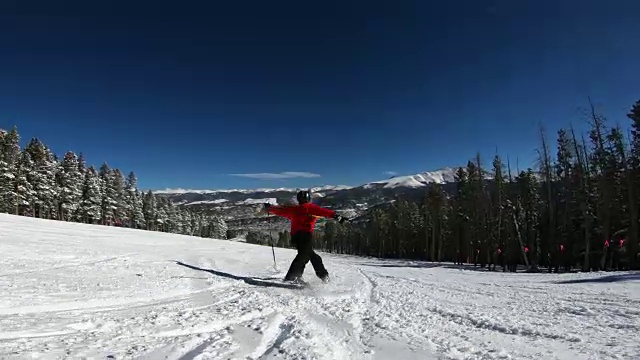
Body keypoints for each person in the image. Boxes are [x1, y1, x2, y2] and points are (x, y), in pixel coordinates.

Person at [263, 190, 347, 283]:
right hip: (306, 235)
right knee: (303, 256)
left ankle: (320, 275)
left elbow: (281, 210)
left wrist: (270, 208)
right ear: (308, 199)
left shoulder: (294, 209)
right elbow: (324, 212)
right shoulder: (310, 208)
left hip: (295, 237)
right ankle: (292, 277)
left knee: (309, 256)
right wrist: (337, 216)